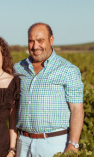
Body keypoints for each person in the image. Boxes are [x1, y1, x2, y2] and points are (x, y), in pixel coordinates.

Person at [14, 22, 84, 156]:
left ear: (51, 40)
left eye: (40, 40)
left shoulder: (67, 70)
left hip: (54, 143)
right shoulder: (18, 68)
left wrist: (73, 144)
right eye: (31, 41)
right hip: (23, 142)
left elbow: (77, 109)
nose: (35, 46)